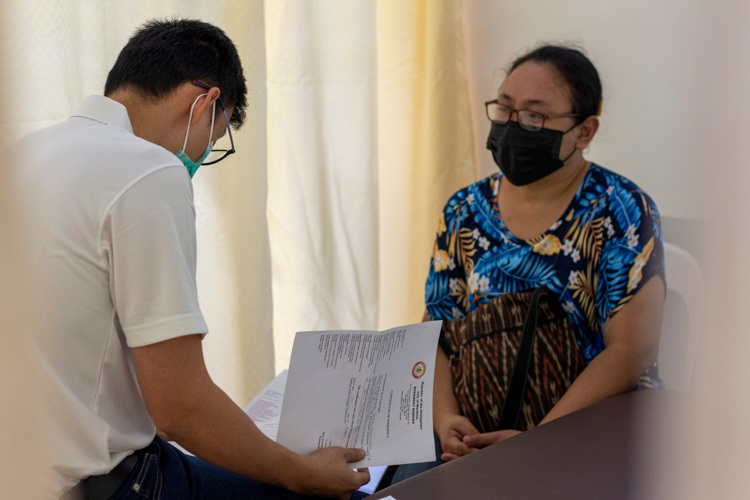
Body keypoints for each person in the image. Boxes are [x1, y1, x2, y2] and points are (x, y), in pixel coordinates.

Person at [12, 19, 369, 500]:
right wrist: (301, 473)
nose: (198, 160)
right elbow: (179, 406)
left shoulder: (23, 154)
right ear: (202, 103)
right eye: (213, 140)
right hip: (103, 486)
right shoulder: (148, 168)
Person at [392, 44, 666, 483]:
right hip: (470, 429)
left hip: (584, 427)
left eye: (535, 116)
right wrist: (445, 422)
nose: (515, 125)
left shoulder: (623, 210)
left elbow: (631, 350)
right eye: (504, 109)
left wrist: (536, 440)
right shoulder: (465, 209)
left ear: (584, 130)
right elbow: (435, 334)